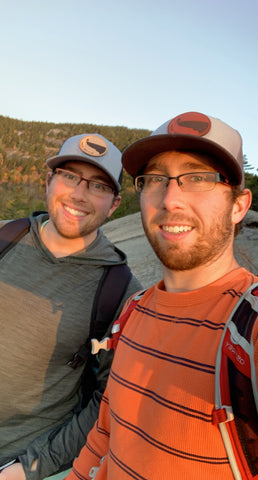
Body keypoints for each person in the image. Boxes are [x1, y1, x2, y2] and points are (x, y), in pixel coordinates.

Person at [65, 111, 258, 479]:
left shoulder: (248, 329)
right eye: (155, 179)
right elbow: (106, 433)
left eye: (198, 178)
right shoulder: (133, 310)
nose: (170, 199)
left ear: (239, 205)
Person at [0, 133, 141, 480]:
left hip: (21, 463)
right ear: (49, 181)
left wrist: (28, 469)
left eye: (97, 186)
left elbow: (110, 402)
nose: (79, 194)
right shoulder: (4, 238)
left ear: (115, 204)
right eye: (69, 176)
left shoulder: (121, 292)